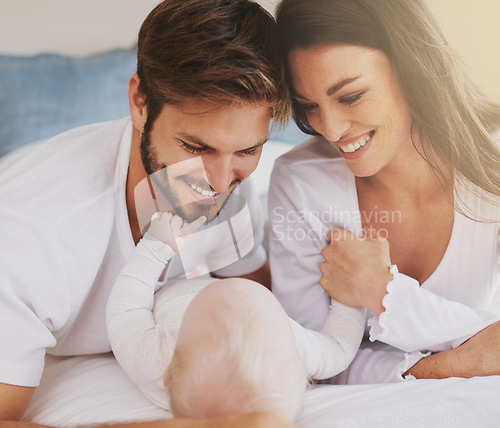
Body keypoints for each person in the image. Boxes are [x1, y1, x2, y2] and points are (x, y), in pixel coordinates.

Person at [0, 1, 297, 426]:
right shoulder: (32, 239)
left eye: (248, 150)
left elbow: (257, 294)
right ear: (140, 101)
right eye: (197, 147)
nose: (216, 184)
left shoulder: (229, 186)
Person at [269, 0, 500, 384]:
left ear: (411, 67)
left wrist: (382, 292)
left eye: (350, 96)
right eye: (309, 106)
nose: (331, 128)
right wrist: (451, 366)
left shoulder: (492, 159)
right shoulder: (299, 183)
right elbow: (311, 361)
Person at [106, 211, 365, 420]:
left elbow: (126, 310)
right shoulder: (294, 347)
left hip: (177, 282)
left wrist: (155, 248)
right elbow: (339, 346)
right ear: (303, 374)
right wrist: (350, 293)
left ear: (168, 375)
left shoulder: (155, 361)